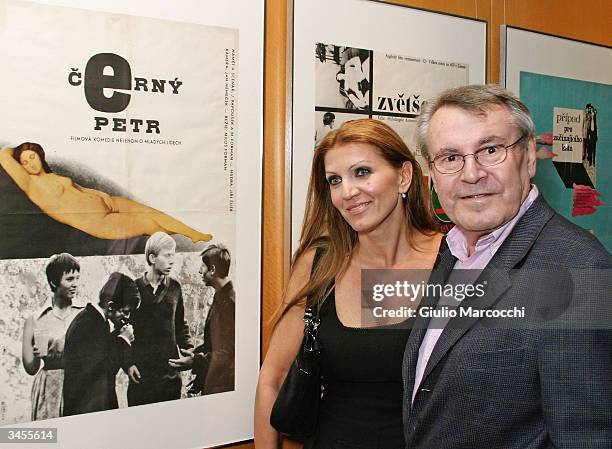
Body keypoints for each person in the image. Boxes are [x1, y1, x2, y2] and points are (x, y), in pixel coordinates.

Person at [403, 85, 612, 448]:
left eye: (490, 150)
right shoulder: (452, 250)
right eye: (450, 157)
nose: (471, 174)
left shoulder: (579, 269)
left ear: (529, 156)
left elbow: (588, 437)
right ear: (432, 174)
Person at [255, 119, 441, 449]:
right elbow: (274, 377)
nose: (347, 192)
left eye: (362, 172)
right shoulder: (319, 264)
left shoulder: (455, 258)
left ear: (404, 176)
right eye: (335, 180)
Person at [0, 143, 212, 243]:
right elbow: (4, 155)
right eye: (24, 161)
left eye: (32, 156)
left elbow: (76, 190)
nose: (29, 163)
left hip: (106, 202)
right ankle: (174, 244)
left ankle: (193, 234)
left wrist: (98, 195)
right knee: (149, 225)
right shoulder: (30, 184)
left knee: (152, 212)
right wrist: (18, 150)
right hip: (98, 221)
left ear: (40, 155)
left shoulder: (52, 176)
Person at [125, 232, 194, 406]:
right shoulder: (133, 288)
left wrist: (189, 350)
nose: (172, 260)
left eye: (174, 255)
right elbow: (123, 330)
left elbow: (180, 325)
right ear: (152, 258)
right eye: (168, 255)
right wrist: (128, 364)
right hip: (141, 378)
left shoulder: (175, 288)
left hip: (169, 378)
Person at [62, 272, 139, 416]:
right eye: (126, 312)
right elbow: (102, 368)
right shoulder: (89, 324)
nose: (127, 318)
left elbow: (103, 349)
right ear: (111, 306)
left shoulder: (96, 320)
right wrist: (123, 340)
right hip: (85, 409)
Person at [21, 253, 84, 420]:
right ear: (54, 282)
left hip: (78, 383)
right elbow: (31, 369)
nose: (75, 284)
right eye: (70, 279)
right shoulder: (35, 319)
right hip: (48, 387)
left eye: (77, 278)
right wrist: (36, 356)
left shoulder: (85, 314)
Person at [187, 244, 235, 395]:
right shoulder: (220, 296)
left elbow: (228, 353)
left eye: (203, 266)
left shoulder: (230, 303)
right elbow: (215, 343)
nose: (200, 271)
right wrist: (195, 353)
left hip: (222, 388)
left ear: (212, 270)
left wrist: (195, 361)